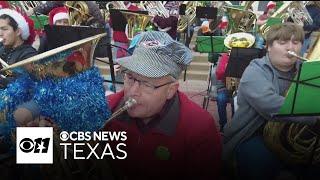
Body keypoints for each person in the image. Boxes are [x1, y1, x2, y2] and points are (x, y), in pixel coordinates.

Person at [103, 31, 222, 179]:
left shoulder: (200, 127)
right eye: (130, 77)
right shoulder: (105, 108)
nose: (133, 92)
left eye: (146, 84)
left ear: (171, 90)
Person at [222, 22, 320, 180]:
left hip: (293, 136)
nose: (291, 48)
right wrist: (315, 117)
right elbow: (273, 106)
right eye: (283, 42)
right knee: (261, 165)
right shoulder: (254, 71)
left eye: (296, 42)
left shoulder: (307, 70)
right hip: (253, 134)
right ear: (268, 47)